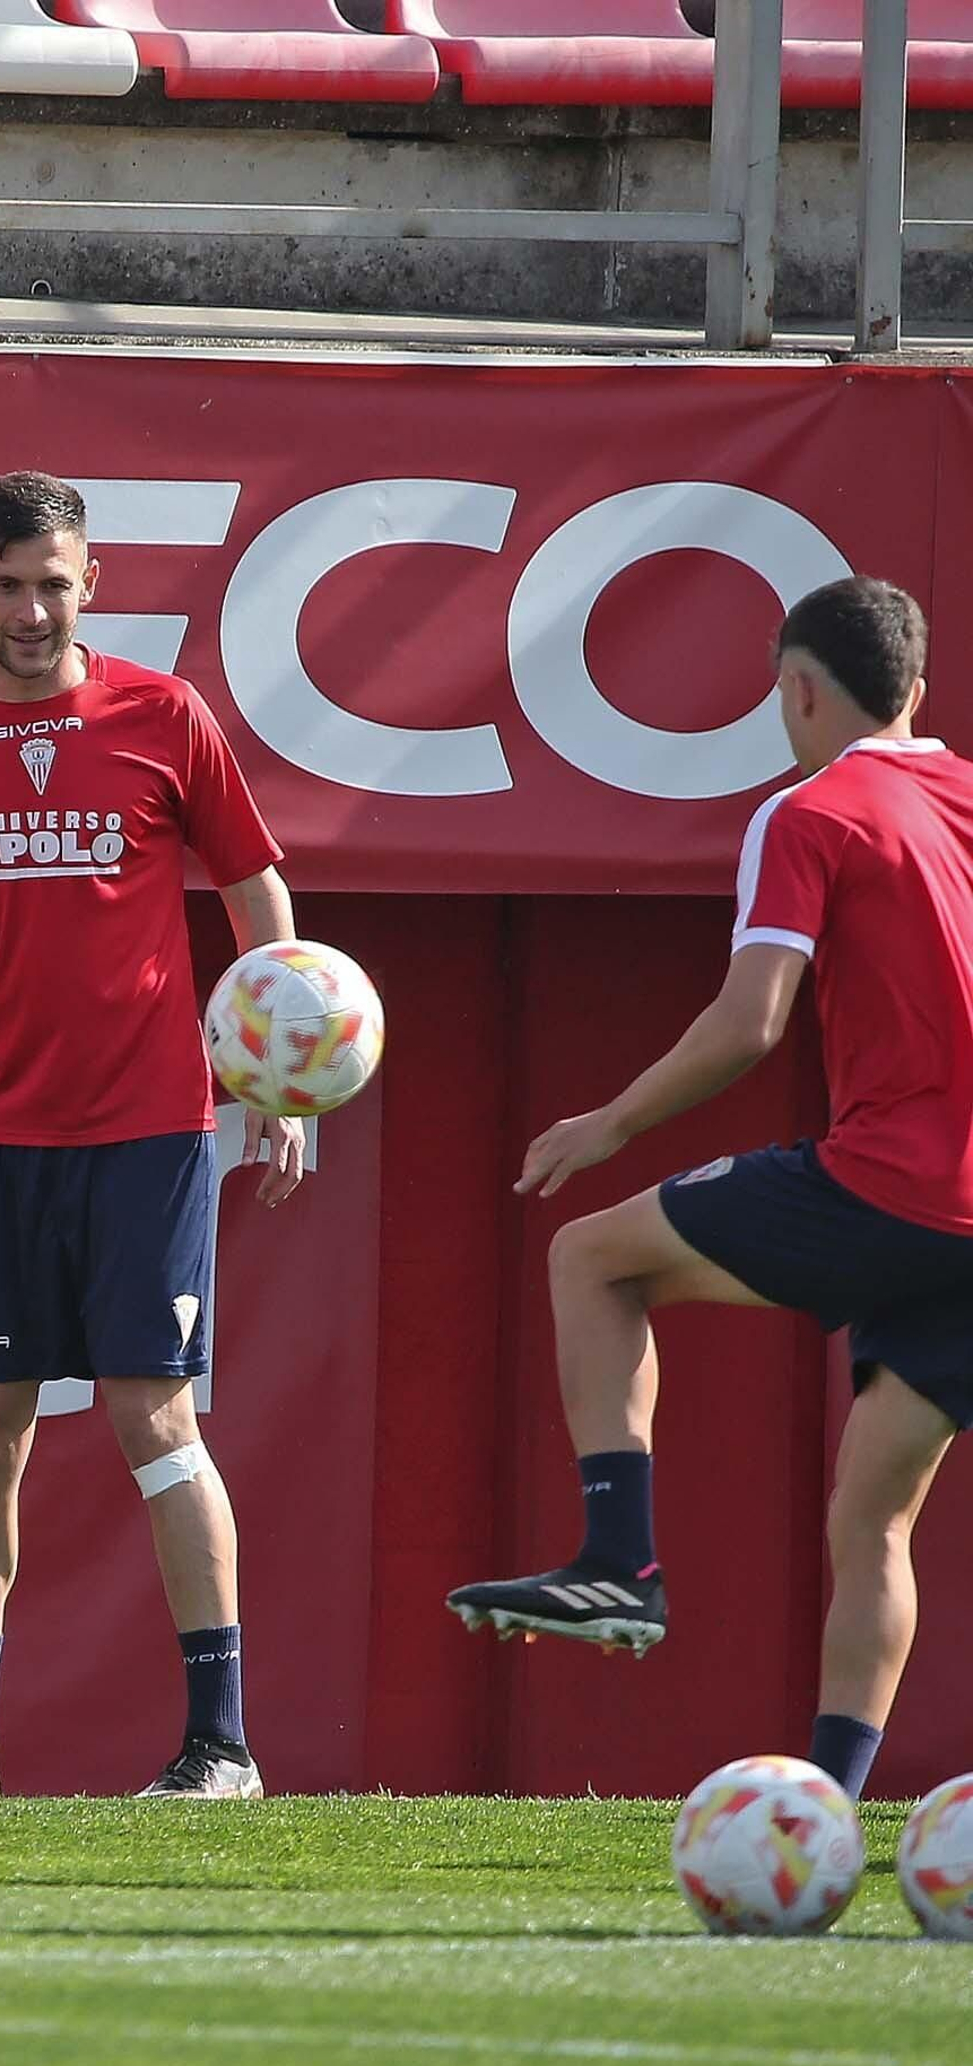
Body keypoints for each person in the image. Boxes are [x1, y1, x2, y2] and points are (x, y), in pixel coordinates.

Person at [447, 575, 973, 1800]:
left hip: (893, 1184)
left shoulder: (810, 810)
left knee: (589, 1253)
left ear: (797, 688)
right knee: (872, 1517)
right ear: (919, 689)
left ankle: (618, 1562)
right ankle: (828, 1806)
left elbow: (750, 1022)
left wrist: (609, 1120)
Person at [0, 470, 304, 1802]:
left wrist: (278, 1074)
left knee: (152, 1413)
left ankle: (222, 1744)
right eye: (7, 583)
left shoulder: (167, 715)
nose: (32, 608)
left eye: (55, 582)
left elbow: (254, 881)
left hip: (152, 1132)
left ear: (91, 581)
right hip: (1, 1137)